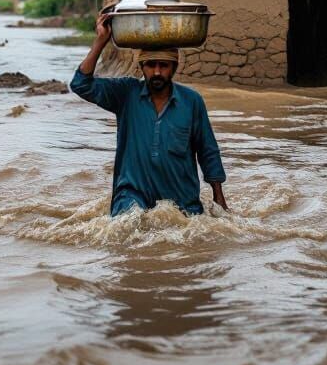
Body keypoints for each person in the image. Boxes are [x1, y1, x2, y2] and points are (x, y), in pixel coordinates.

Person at [70, 13, 228, 217]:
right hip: (131, 195)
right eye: (151, 65)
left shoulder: (191, 101)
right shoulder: (126, 94)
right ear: (141, 67)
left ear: (174, 68)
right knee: (126, 224)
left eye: (164, 65)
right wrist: (101, 41)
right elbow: (80, 84)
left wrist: (219, 197)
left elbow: (207, 149)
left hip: (181, 199)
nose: (157, 72)